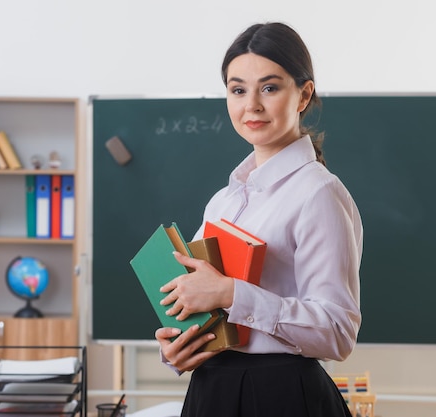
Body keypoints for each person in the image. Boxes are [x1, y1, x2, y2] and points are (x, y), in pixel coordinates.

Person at [154, 21, 363, 417]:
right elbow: (197, 302)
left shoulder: (319, 193)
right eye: (237, 89)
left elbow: (338, 333)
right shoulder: (222, 201)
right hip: (211, 391)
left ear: (303, 95)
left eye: (269, 87)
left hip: (281, 396)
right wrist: (177, 348)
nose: (251, 104)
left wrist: (232, 294)